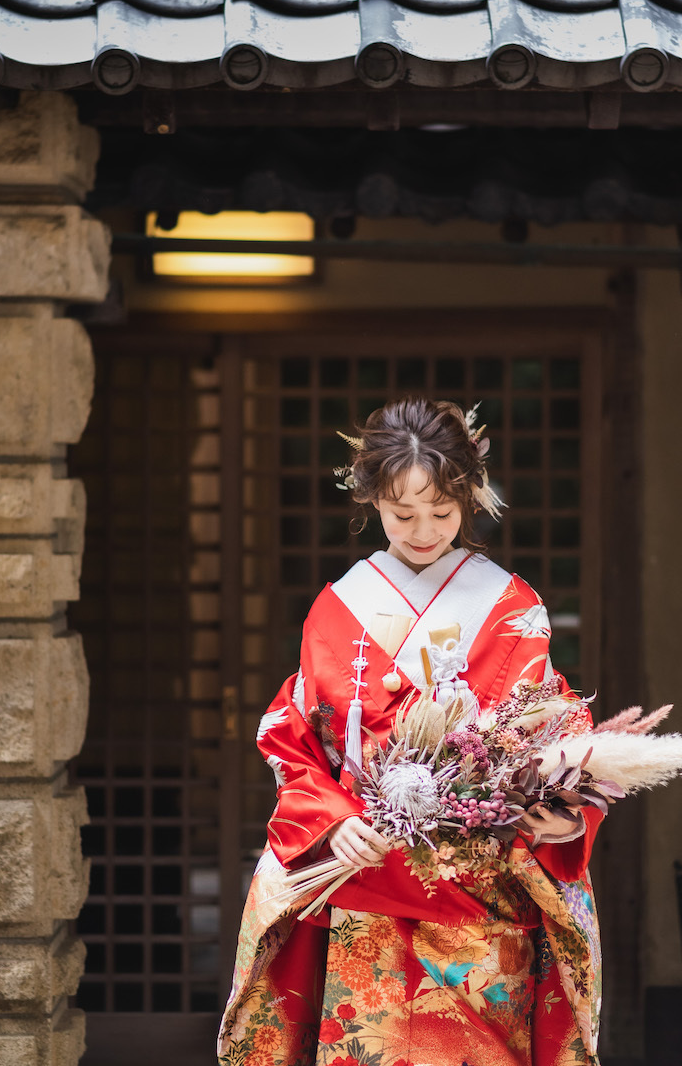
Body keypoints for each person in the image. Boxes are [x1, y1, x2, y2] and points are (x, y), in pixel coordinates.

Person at [218, 398, 604, 1066]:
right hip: (369, 876)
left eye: (443, 512)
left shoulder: (512, 605)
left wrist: (561, 807)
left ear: (470, 497)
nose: (424, 529)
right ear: (372, 500)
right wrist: (331, 820)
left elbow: (560, 723)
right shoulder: (339, 606)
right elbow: (293, 736)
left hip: (484, 891)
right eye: (403, 514)